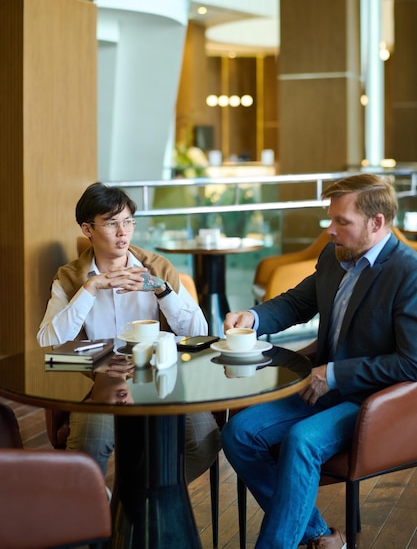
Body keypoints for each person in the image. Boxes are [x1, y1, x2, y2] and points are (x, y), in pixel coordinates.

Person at [221, 173, 417, 549]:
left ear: (377, 223)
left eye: (342, 221)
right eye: (330, 218)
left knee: (301, 441)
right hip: (321, 387)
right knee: (239, 434)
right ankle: (319, 536)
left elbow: (411, 363)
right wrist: (254, 318)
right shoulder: (336, 253)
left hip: (374, 401)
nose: (330, 230)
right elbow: (297, 302)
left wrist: (334, 373)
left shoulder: (408, 273)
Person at [38, 182, 221, 483]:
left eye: (127, 222)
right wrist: (89, 288)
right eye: (111, 223)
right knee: (88, 447)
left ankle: (146, 498)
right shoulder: (71, 277)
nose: (123, 232)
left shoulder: (156, 268)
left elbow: (199, 332)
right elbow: (47, 342)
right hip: (100, 380)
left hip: (160, 375)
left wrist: (161, 291)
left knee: (204, 441)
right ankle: (104, 514)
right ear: (88, 229)